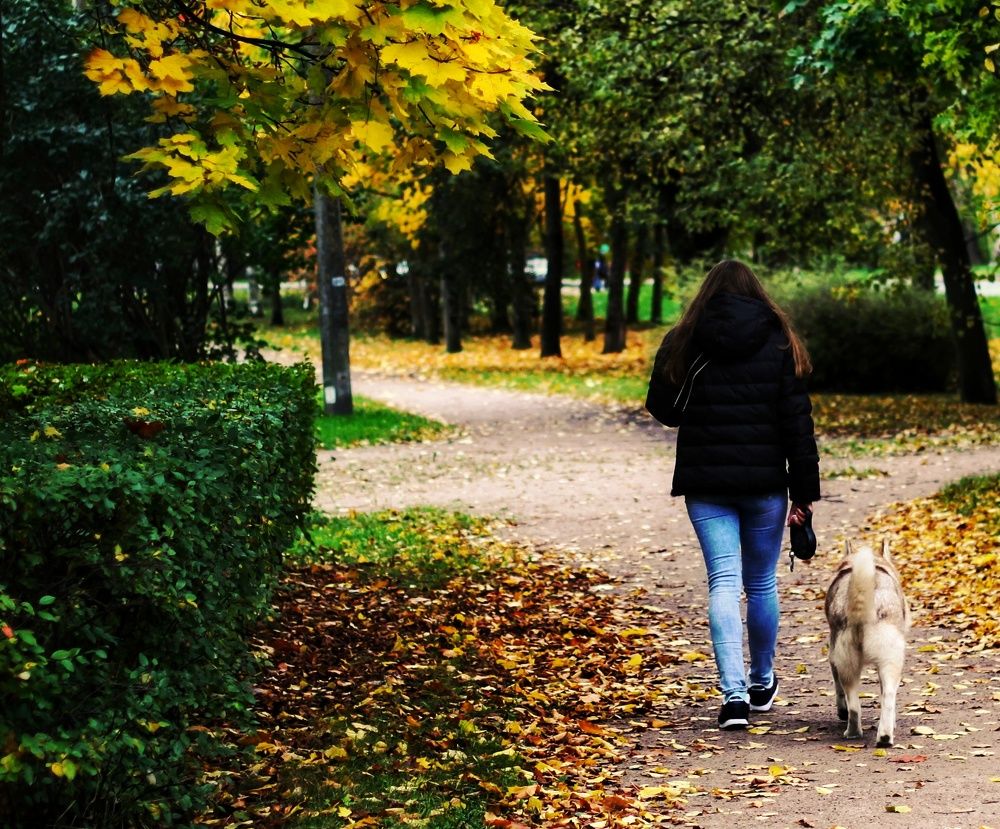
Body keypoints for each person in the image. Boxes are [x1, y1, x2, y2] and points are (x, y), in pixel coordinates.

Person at [644, 259, 820, 731]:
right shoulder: (779, 338)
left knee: (723, 582)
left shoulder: (685, 338)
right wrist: (804, 495)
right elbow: (796, 423)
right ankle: (762, 681)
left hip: (705, 483)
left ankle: (734, 697)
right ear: (755, 293)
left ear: (707, 294)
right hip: (764, 484)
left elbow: (662, 409)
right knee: (760, 582)